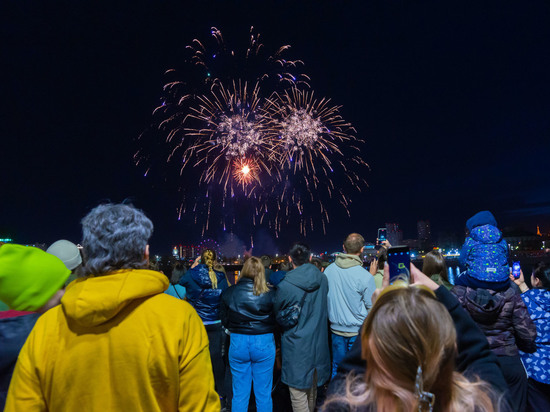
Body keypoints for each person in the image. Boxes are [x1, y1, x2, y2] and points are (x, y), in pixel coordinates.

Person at [5, 203, 219, 412]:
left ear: (86, 256)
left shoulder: (47, 328)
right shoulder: (180, 319)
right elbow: (200, 406)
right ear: (145, 254)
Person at [324, 264, 506, 412]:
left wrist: (378, 310)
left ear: (374, 347)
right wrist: (441, 294)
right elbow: (479, 355)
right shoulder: (483, 404)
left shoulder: (350, 405)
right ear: (446, 345)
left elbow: (347, 372)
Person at [452, 260, 536, 412]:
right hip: (508, 361)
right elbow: (528, 334)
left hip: (473, 363)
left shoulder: (458, 293)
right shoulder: (511, 293)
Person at [0, 244, 70, 410]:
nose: (66, 293)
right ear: (33, 295)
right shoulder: (37, 339)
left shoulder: (11, 333)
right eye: (60, 287)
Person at [274, 242, 330, 412]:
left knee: (298, 393)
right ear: (310, 257)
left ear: (290, 259)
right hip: (318, 344)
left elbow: (278, 312)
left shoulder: (285, 284)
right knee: (313, 390)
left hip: (296, 346)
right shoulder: (323, 279)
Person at [220, 256, 276, 412]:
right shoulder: (270, 293)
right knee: (264, 394)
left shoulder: (230, 292)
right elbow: (276, 318)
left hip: (238, 341)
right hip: (264, 341)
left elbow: (224, 319)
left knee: (239, 394)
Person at [179, 248, 230, 406]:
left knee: (197, 359)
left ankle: (199, 394)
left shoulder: (191, 275)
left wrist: (193, 268)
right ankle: (221, 394)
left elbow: (180, 283)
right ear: (214, 261)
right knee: (216, 359)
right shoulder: (220, 276)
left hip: (197, 323)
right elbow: (226, 295)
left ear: (199, 259)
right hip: (215, 323)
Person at [324, 233, 376, 379]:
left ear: (343, 247)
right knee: (358, 373)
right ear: (362, 249)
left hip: (335, 330)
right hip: (357, 332)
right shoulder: (365, 276)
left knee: (337, 370)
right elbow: (371, 307)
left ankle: (335, 400)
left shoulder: (328, 271)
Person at [511, 263, 550, 411]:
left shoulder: (524, 300)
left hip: (534, 367)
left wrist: (520, 285)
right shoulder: (527, 298)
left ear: (537, 280)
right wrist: (522, 284)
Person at [457, 210, 509, 290]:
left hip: (476, 280)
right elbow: (506, 257)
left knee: (458, 279)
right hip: (502, 282)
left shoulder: (470, 240)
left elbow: (461, 260)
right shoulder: (502, 240)